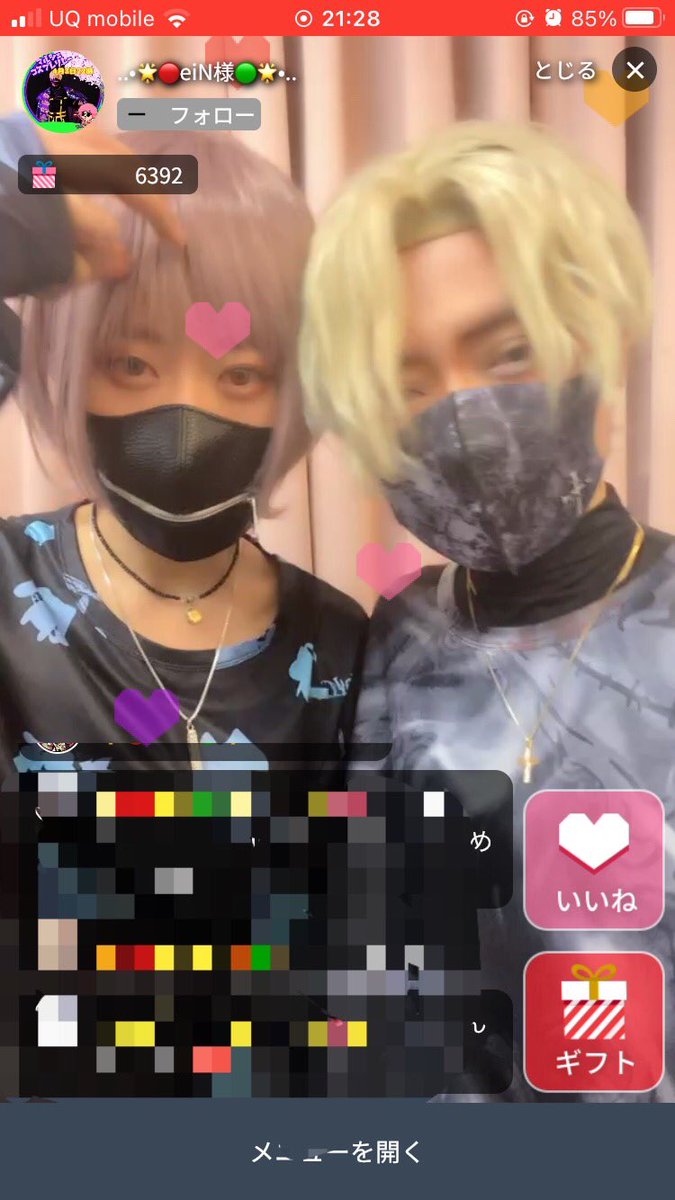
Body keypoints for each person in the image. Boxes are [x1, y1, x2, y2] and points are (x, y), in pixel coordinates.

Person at [299, 120, 675, 1101]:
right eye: (407, 384)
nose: (460, 416)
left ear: (592, 341)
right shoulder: (399, 640)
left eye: (507, 354)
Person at [0, 114, 366, 779]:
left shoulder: (341, 642)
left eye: (241, 375)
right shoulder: (7, 584)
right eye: (132, 365)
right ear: (71, 365)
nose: (190, 424)